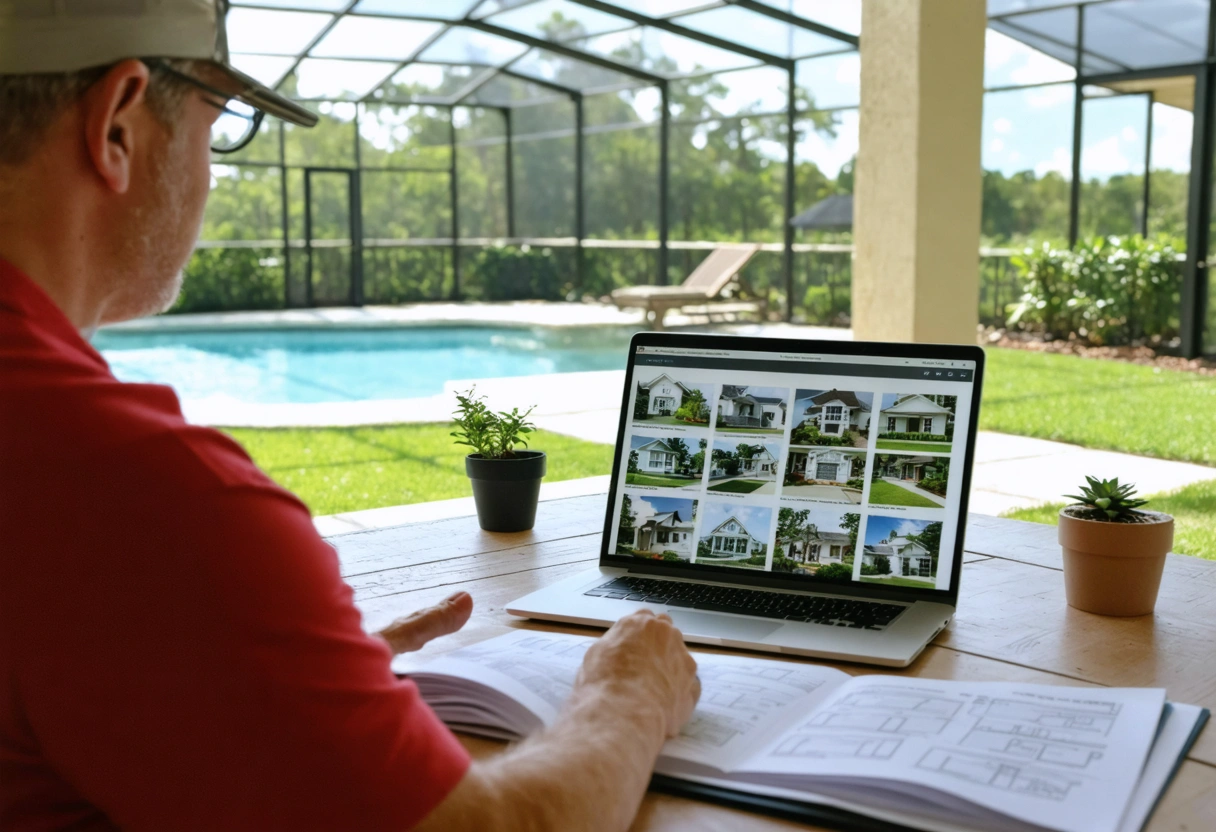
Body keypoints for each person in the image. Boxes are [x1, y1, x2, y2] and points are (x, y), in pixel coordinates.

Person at [0, 2, 700, 830]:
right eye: (218, 124)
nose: (212, 173)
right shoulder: (133, 492)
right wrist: (631, 691)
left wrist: (265, 665)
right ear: (117, 125)